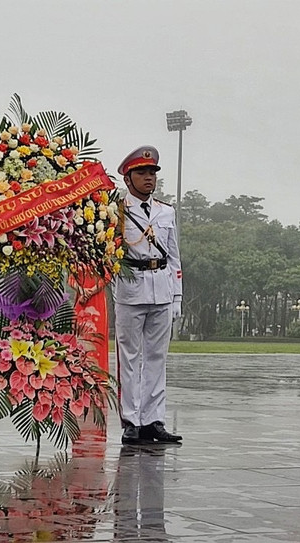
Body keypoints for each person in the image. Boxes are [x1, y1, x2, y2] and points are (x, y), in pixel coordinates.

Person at [114, 146, 183, 444]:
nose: (148, 178)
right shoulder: (115, 211)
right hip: (130, 289)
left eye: (152, 173)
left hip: (162, 289)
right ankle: (131, 421)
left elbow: (175, 256)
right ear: (128, 179)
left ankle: (153, 421)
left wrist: (178, 296)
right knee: (129, 358)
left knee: (157, 358)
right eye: (141, 173)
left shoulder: (166, 211)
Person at [70, 265, 110, 373]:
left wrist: (90, 291)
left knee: (98, 339)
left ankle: (99, 379)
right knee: (81, 337)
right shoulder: (76, 255)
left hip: (98, 300)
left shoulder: (102, 255)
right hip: (81, 301)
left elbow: (108, 276)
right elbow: (71, 279)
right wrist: (82, 291)